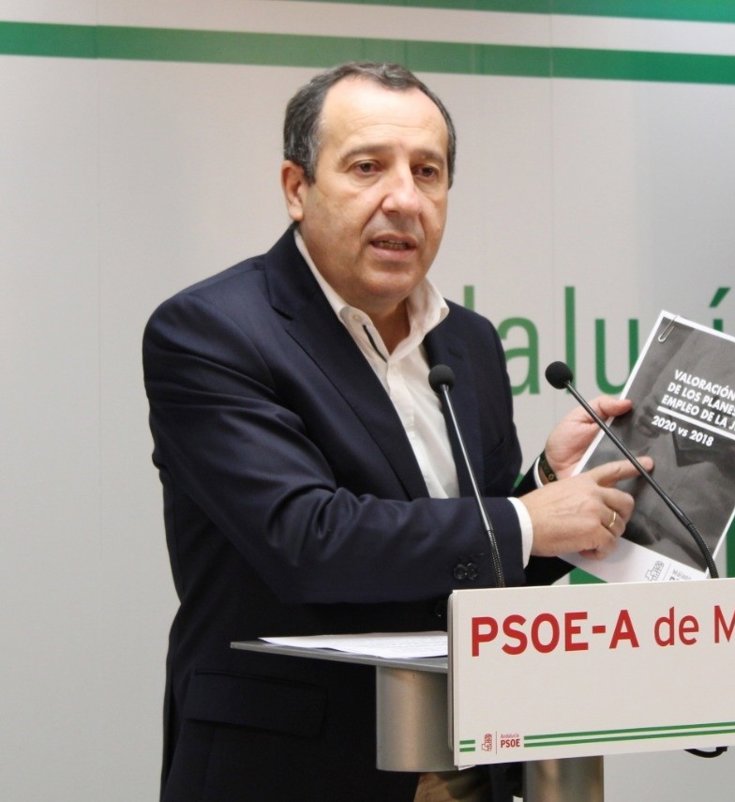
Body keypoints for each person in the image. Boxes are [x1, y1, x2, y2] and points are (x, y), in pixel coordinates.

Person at [143, 62, 649, 802]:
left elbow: (482, 568)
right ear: (296, 187)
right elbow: (306, 540)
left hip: (469, 765)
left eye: (428, 172)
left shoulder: (469, 342)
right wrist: (524, 519)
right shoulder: (212, 331)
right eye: (367, 167)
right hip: (294, 769)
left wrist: (547, 486)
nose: (405, 198)